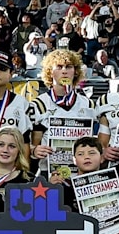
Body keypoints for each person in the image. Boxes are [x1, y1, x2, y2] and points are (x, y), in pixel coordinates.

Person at [28, 49, 98, 178]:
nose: (64, 71)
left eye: (69, 67)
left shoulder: (89, 105)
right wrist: (34, 150)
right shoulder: (38, 104)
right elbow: (31, 144)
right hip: (49, 173)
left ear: (76, 71)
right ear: (50, 71)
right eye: (59, 67)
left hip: (82, 174)